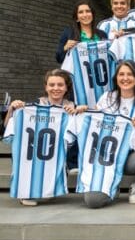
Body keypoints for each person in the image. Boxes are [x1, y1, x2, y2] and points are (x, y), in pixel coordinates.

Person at [5, 69, 82, 205]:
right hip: (32, 153)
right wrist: (12, 110)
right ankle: (26, 192)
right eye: (52, 85)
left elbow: (80, 133)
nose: (56, 88)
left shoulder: (71, 108)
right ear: (46, 87)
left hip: (55, 154)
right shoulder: (30, 107)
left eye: (60, 85)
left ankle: (53, 183)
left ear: (66, 88)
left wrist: (78, 112)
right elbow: (8, 127)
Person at [89, 61, 135, 207]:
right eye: (121, 74)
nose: (125, 78)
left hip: (130, 158)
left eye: (130, 74)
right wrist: (83, 111)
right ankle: (112, 187)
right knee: (93, 201)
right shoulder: (107, 98)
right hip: (106, 158)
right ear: (116, 78)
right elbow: (92, 124)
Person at [56, 0, 108, 64]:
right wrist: (65, 48)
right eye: (81, 12)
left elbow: (108, 57)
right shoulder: (68, 33)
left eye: (88, 11)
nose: (85, 15)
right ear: (77, 18)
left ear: (92, 14)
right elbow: (59, 59)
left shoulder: (103, 34)